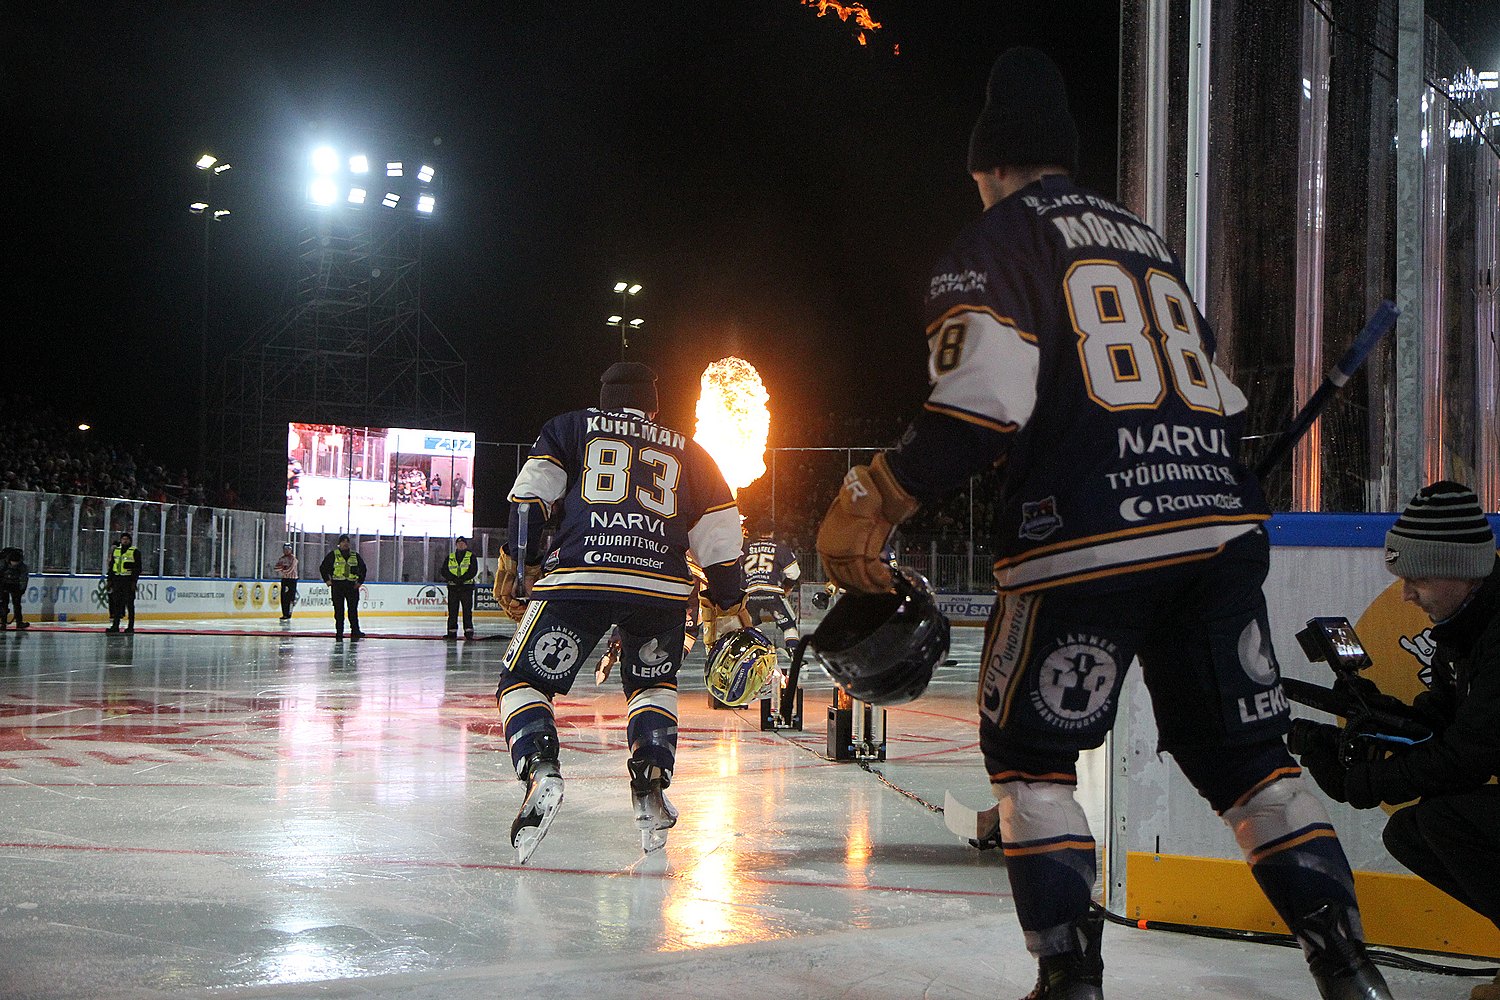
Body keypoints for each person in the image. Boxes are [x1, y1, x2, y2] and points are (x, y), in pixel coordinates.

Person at [814, 48, 1391, 1000]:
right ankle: (1350, 966)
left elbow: (986, 396)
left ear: (985, 164)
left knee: (1033, 761)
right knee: (1250, 764)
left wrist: (884, 490)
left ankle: (1070, 978)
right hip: (1216, 531)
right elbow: (1224, 394)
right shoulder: (1144, 239)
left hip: (1084, 537)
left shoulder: (994, 242)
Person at [494, 361, 746, 863]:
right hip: (660, 586)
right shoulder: (689, 449)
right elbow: (720, 536)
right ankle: (651, 784)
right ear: (654, 403)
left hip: (580, 579)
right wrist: (729, 599)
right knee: (652, 686)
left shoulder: (568, 427)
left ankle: (541, 769)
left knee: (522, 683)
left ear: (603, 398)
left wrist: (514, 560)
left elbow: (528, 501)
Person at [1298, 482, 1500, 1000]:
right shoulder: (1464, 628)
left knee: (1444, 820)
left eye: (1419, 579)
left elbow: (1468, 756)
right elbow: (1439, 725)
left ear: (1463, 570)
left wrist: (1369, 781)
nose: (1407, 594)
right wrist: (1369, 717)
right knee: (1411, 832)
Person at [741, 519, 803, 657]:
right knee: (788, 624)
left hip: (749, 593)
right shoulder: (779, 547)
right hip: (772, 591)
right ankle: (794, 652)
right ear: (773, 531)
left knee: (748, 626)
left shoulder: (746, 547)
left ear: (757, 531)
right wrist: (787, 588)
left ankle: (751, 655)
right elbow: (794, 573)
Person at [318, 534, 366, 641]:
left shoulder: (355, 556)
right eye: (343, 541)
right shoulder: (333, 555)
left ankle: (355, 631)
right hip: (338, 586)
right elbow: (323, 568)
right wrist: (327, 580)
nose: (345, 543)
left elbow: (363, 569)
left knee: (353, 610)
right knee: (339, 610)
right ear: (339, 544)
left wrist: (360, 582)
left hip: (352, 586)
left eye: (347, 541)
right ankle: (339, 632)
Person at [441, 536, 478, 639]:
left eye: (462, 543)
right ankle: (451, 632)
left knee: (467, 611)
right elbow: (444, 570)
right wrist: (453, 579)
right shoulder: (450, 557)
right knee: (452, 611)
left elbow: (473, 570)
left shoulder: (471, 556)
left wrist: (461, 579)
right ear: (456, 545)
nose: (460, 545)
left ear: (466, 545)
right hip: (453, 588)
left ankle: (468, 632)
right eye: (459, 543)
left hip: (466, 588)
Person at [105, 531, 141, 634]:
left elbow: (138, 568)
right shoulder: (116, 551)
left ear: (130, 541)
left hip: (128, 580)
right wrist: (109, 580)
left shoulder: (135, 551)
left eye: (126, 539)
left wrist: (134, 581)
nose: (124, 541)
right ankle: (115, 625)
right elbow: (112, 566)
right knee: (116, 603)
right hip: (117, 579)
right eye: (123, 539)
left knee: (129, 604)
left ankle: (130, 626)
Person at [1, 547, 28, 630]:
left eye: (16, 563)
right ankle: (3, 623)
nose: (14, 565)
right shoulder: (2, 564)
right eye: (13, 563)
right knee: (4, 604)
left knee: (17, 605)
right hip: (3, 584)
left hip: (16, 585)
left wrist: (22, 589)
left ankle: (19, 622)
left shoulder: (22, 567)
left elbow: (23, 579)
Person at [273, 543, 299, 621]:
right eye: (285, 549)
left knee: (291, 597)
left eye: (288, 549)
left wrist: (283, 568)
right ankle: (284, 613)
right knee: (284, 597)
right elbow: (276, 568)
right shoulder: (282, 558)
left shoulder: (293, 559)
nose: (286, 551)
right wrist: (283, 568)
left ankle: (289, 613)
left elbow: (289, 569)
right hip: (285, 579)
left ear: (290, 550)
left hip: (292, 580)